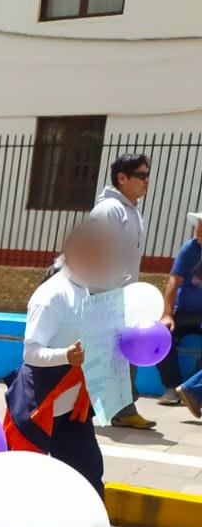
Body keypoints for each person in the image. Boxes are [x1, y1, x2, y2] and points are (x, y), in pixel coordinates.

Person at [4, 221, 134, 527]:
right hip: (40, 404)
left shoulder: (93, 291)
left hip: (74, 405)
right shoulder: (52, 295)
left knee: (88, 471)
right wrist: (67, 356)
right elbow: (30, 352)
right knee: (27, 480)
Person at [90, 153, 156, 431]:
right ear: (122, 178)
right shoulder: (109, 211)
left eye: (147, 175)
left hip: (124, 296)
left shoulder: (131, 209)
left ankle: (122, 408)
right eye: (141, 176)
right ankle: (117, 408)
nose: (147, 181)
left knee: (126, 353)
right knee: (111, 356)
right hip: (106, 296)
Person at [158, 210, 202, 407]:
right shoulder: (190, 249)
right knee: (160, 334)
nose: (199, 234)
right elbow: (172, 284)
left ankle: (191, 390)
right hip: (183, 312)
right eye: (198, 230)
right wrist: (167, 315)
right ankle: (172, 387)